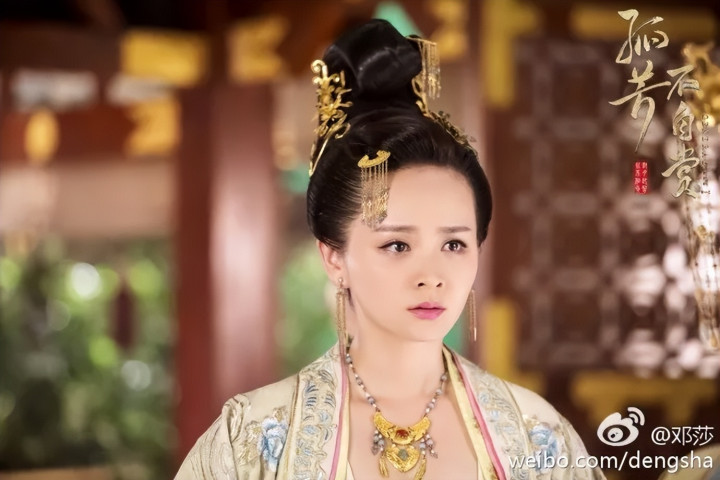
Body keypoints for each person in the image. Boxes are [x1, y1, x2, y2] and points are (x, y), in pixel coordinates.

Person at [174, 19, 606, 480]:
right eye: (397, 244)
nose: (432, 276)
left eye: (455, 243)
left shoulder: (538, 435)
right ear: (334, 257)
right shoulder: (250, 441)